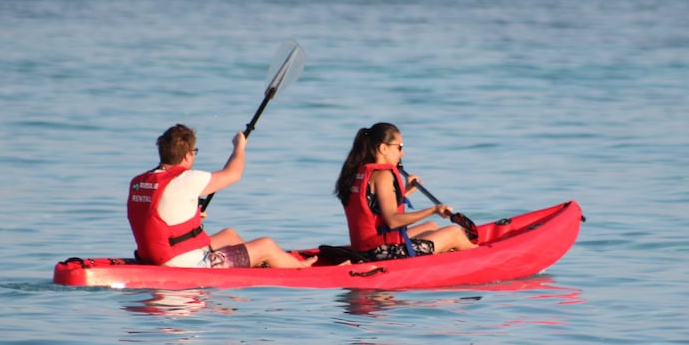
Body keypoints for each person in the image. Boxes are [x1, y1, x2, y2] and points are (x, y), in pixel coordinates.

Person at [128, 123, 315, 269]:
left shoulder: (139, 182)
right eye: (194, 152)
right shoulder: (187, 179)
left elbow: (156, 214)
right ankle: (301, 268)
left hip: (153, 255)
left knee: (229, 235)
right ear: (187, 156)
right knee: (266, 244)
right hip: (182, 262)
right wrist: (239, 146)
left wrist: (190, 216)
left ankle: (258, 264)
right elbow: (234, 174)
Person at [333, 122, 476, 261]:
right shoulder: (383, 175)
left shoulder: (360, 172)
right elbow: (393, 221)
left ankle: (447, 254)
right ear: (383, 148)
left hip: (366, 248)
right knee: (454, 233)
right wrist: (433, 210)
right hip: (380, 253)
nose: (402, 153)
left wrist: (405, 192)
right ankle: (478, 255)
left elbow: (375, 208)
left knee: (431, 226)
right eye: (399, 147)